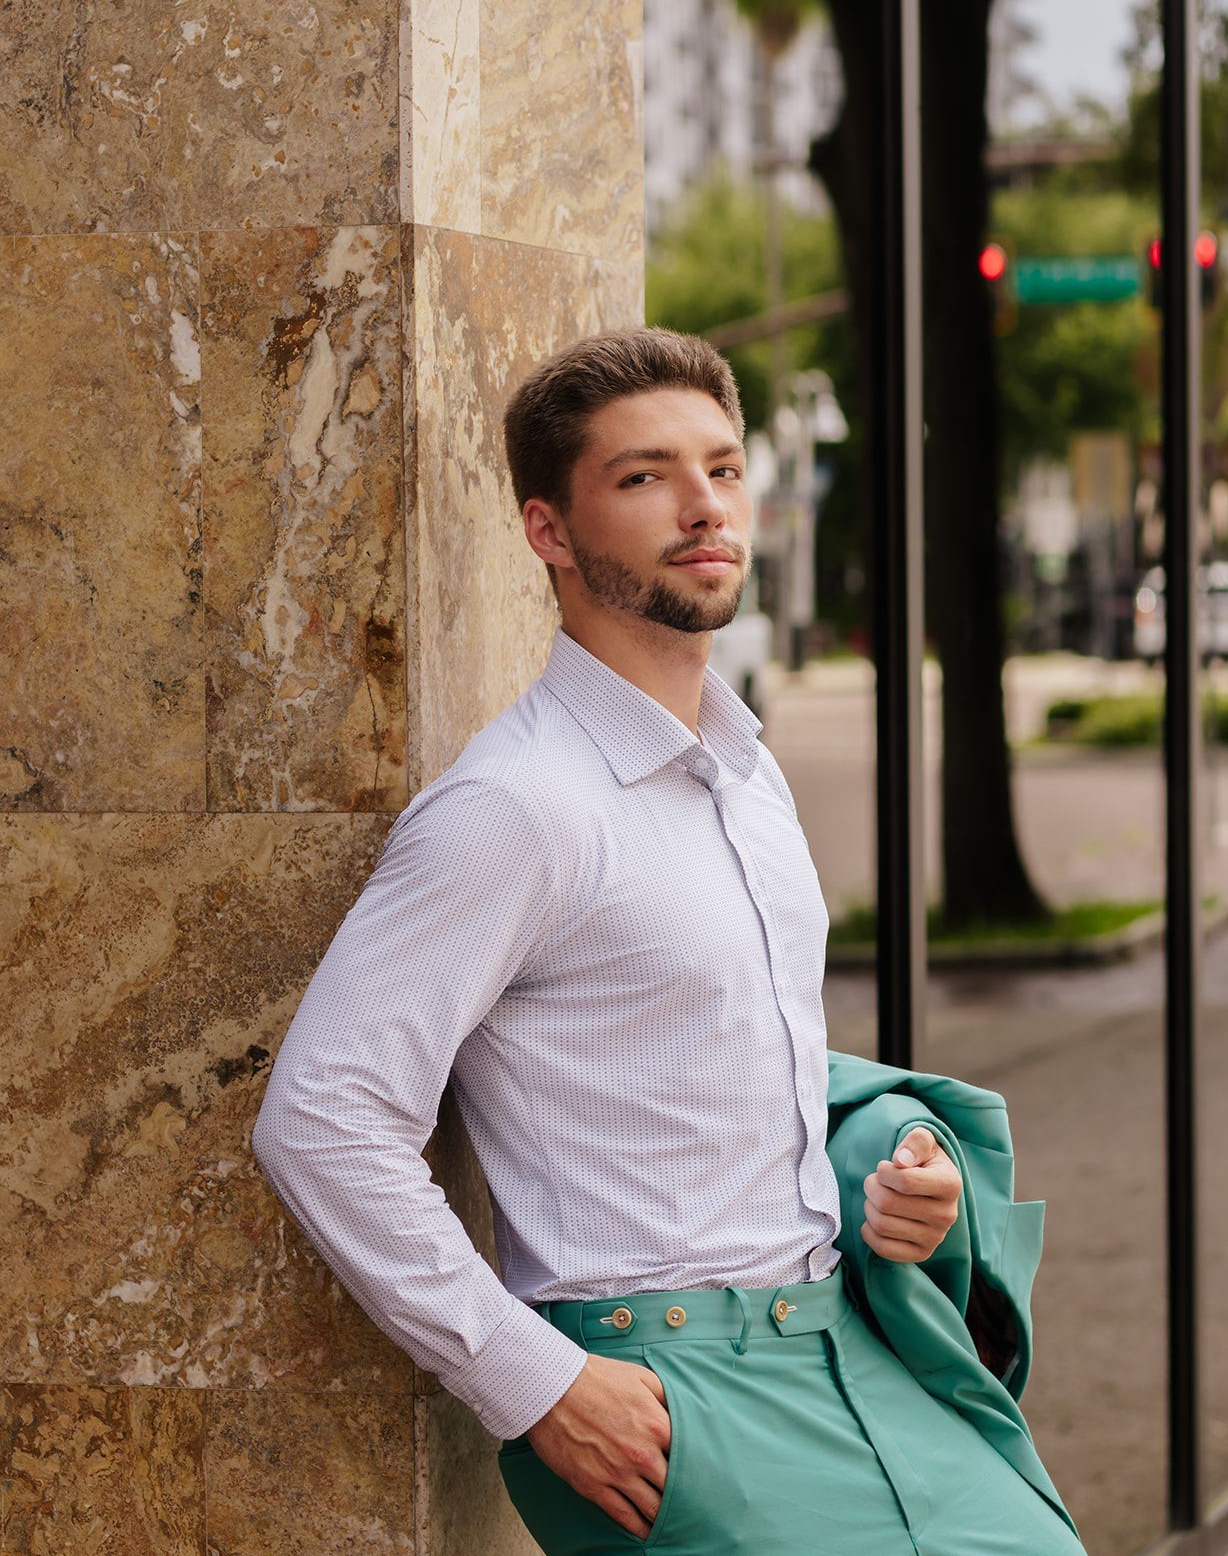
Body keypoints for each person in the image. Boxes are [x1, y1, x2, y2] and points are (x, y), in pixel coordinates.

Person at [251, 326, 1086, 1555]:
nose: (703, 508)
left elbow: (738, 1053)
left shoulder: (741, 773)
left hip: (851, 1344)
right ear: (548, 530)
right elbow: (319, 1115)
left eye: (722, 468)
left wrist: (896, 1165)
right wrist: (531, 1380)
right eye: (644, 477)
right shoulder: (516, 808)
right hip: (667, 1394)